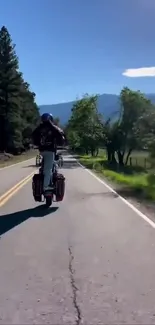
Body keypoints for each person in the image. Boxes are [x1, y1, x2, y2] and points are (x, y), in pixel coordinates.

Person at [32, 113, 65, 192]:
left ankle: (46, 180)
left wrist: (37, 144)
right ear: (51, 119)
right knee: (48, 169)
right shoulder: (53, 128)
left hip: (42, 151)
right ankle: (46, 186)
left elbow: (33, 136)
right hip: (50, 151)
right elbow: (61, 135)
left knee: (49, 165)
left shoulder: (40, 128)